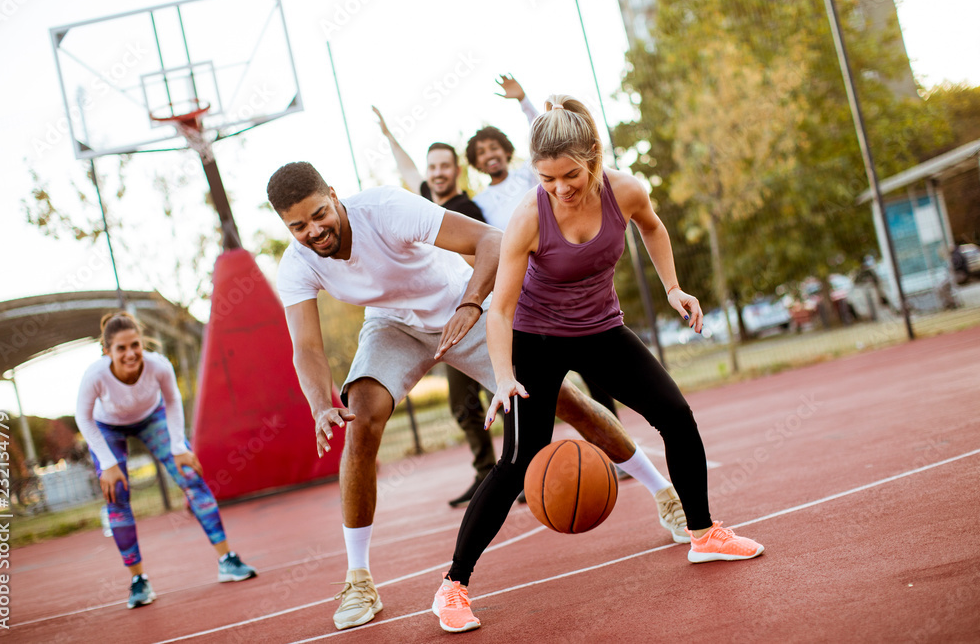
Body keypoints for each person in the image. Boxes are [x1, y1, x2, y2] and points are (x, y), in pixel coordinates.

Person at [265, 162, 685, 631]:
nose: (313, 230)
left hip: (463, 304)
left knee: (562, 401)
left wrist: (470, 305)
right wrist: (320, 404)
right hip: (393, 326)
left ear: (334, 195)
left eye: (319, 214)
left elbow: (490, 241)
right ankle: (358, 578)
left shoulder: (385, 209)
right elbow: (306, 347)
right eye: (297, 226)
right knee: (359, 421)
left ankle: (665, 493)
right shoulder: (297, 263)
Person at [432, 96, 765, 633]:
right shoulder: (527, 217)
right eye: (547, 178)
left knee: (676, 417)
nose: (560, 188)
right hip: (536, 339)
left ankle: (704, 535)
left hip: (602, 331)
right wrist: (504, 376)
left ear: (593, 157)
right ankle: (454, 586)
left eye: (570, 175)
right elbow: (501, 308)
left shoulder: (625, 190)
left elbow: (653, 228)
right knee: (518, 460)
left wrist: (674, 287)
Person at [75, 312, 257, 610]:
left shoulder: (158, 365)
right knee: (117, 495)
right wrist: (107, 463)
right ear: (107, 350)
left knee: (192, 478)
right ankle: (138, 580)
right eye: (121, 348)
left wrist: (177, 446)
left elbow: (172, 401)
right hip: (107, 427)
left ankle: (227, 560)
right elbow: (83, 417)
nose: (130, 353)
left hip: (152, 417)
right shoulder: (95, 375)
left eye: (135, 344)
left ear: (141, 342)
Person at [470, 75, 622, 419]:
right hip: (528, 288)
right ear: (476, 163)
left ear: (507, 151)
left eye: (494, 147)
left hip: (564, 272)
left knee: (598, 381)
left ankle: (616, 448)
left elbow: (552, 139)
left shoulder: (533, 175)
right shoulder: (481, 201)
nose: (490, 155)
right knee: (540, 399)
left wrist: (524, 101)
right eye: (482, 153)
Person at [373, 106, 495, 508]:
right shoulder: (423, 200)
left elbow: (487, 257)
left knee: (505, 394)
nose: (438, 172)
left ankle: (520, 471)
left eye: (445, 165)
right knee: (462, 406)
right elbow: (409, 172)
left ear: (456, 170)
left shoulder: (469, 210)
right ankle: (486, 474)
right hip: (442, 321)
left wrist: (475, 303)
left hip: (478, 314)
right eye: (433, 166)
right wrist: (390, 136)